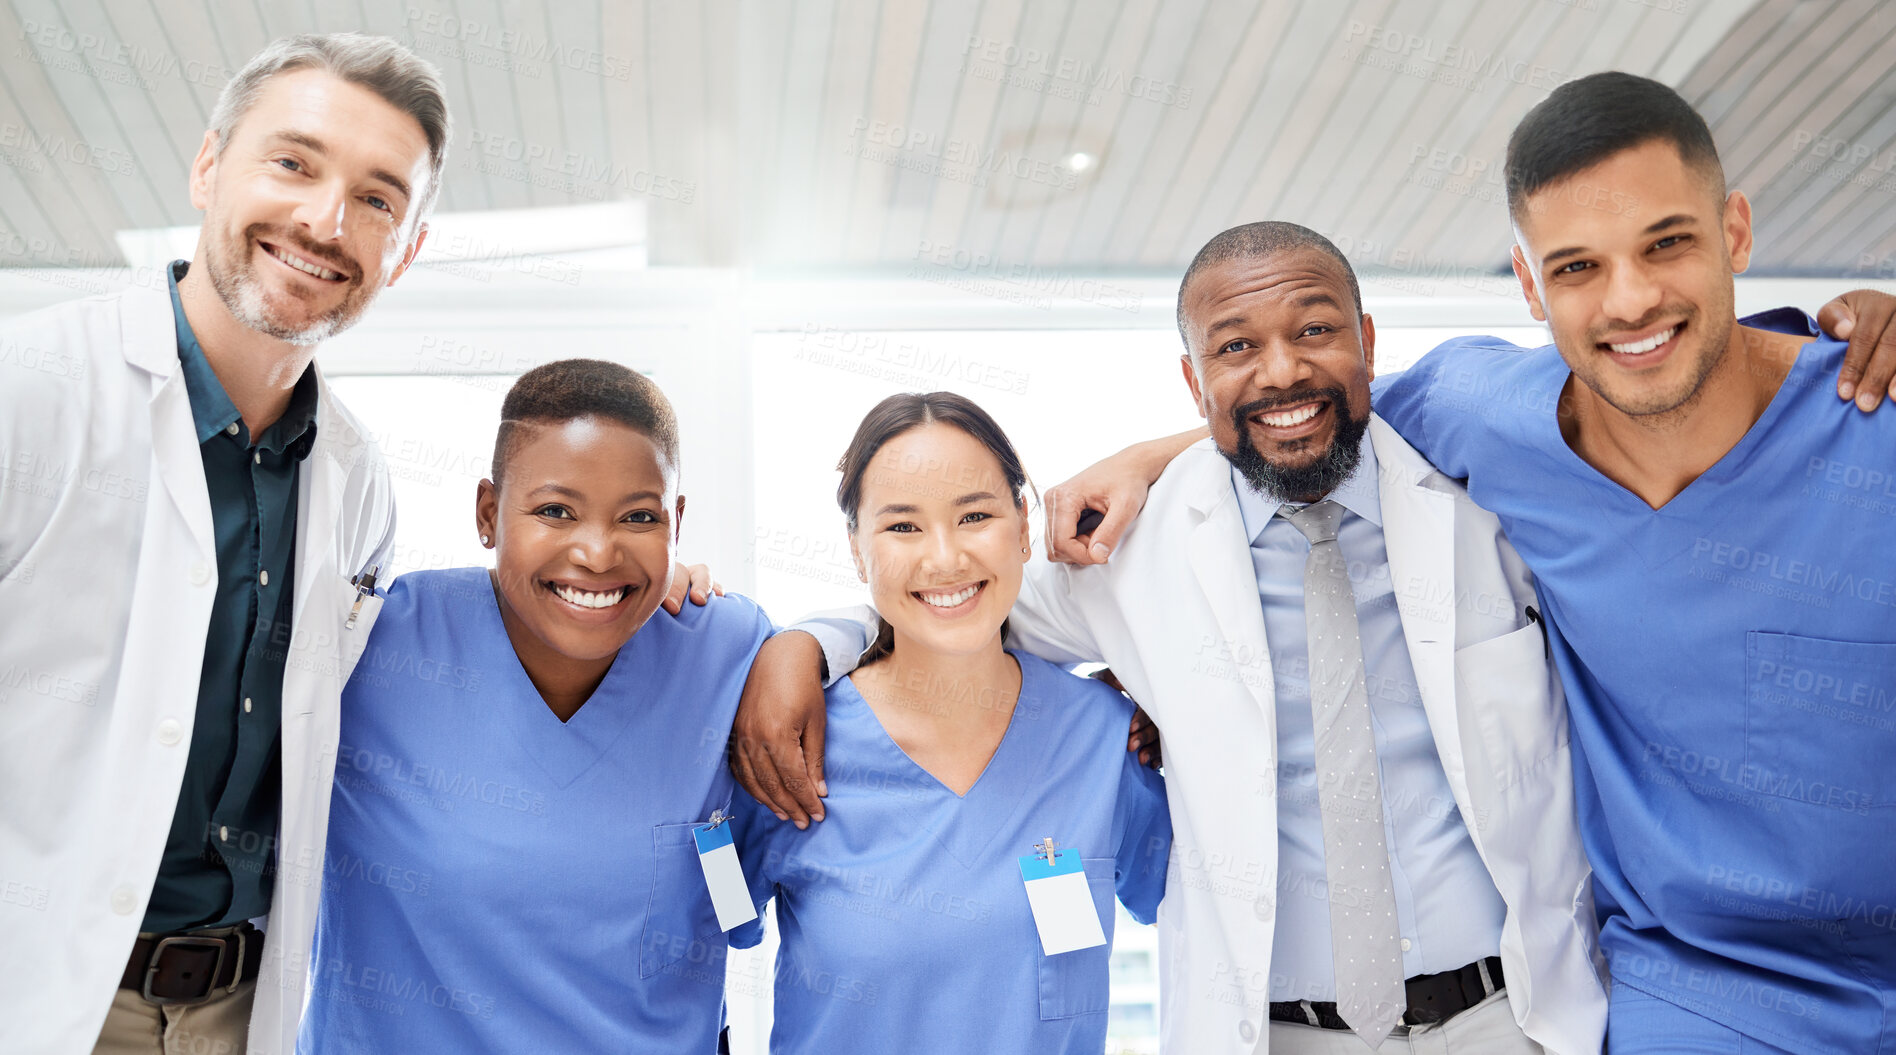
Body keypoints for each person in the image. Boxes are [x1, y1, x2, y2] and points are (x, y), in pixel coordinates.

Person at [1034, 74, 1896, 1054]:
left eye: (1668, 242)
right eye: (1576, 266)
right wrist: (823, 638)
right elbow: (1302, 408)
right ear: (1528, 286)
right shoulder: (1482, 415)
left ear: (1735, 232)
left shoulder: (1872, 413)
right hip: (1700, 990)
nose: (1630, 298)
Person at [737, 230, 1607, 1053]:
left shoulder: (1479, 492)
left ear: (1367, 341)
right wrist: (806, 647)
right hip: (1277, 1031)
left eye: (1314, 328)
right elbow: (957, 607)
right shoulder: (1131, 553)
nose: (1282, 367)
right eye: (1234, 348)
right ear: (1193, 380)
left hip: (1506, 1017)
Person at [0, 34, 448, 1055]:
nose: (325, 221)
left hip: (239, 1008)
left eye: (379, 199)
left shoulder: (358, 477)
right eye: (293, 163)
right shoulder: (25, 391)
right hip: (38, 996)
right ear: (209, 167)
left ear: (408, 250)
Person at [301, 359, 764, 1052]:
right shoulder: (371, 649)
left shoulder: (728, 652)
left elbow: (747, 897)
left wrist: (817, 642)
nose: (598, 551)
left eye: (639, 516)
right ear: (488, 513)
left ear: (676, 521)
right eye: (555, 510)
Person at [734, 392, 1169, 1054]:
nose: (945, 558)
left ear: (1023, 526)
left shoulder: (1100, 739)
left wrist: (1191, 713)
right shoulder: (792, 749)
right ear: (857, 551)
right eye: (903, 527)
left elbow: (1218, 916)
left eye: (974, 515)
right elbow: (680, 952)